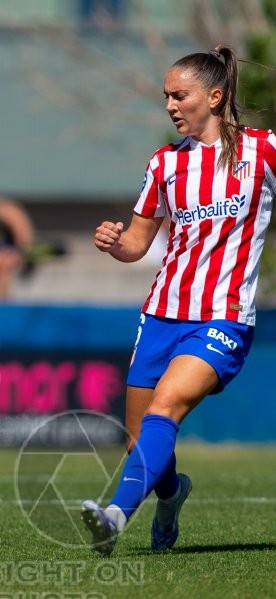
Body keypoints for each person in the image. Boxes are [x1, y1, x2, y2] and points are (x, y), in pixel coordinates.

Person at [81, 45, 274, 555]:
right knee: (138, 440)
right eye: (165, 95)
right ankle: (171, 497)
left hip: (223, 318)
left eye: (179, 95)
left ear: (215, 96)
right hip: (160, 314)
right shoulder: (165, 163)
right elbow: (138, 244)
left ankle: (116, 516)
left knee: (165, 409)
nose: (169, 104)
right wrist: (113, 241)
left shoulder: (264, 151)